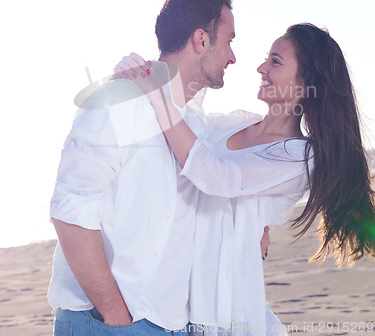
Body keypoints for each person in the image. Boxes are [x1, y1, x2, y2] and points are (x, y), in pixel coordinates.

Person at [114, 23, 375, 335]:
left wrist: (155, 93)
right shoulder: (232, 123)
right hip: (174, 309)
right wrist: (138, 77)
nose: (261, 67)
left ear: (305, 83)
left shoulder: (300, 157)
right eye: (267, 58)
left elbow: (215, 175)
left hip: (227, 317)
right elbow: (177, 137)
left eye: (275, 61)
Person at [48, 0, 270, 336]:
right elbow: (70, 212)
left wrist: (255, 226)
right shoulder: (120, 100)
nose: (233, 57)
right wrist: (117, 318)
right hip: (105, 322)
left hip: (174, 326)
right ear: (201, 40)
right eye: (229, 40)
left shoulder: (196, 126)